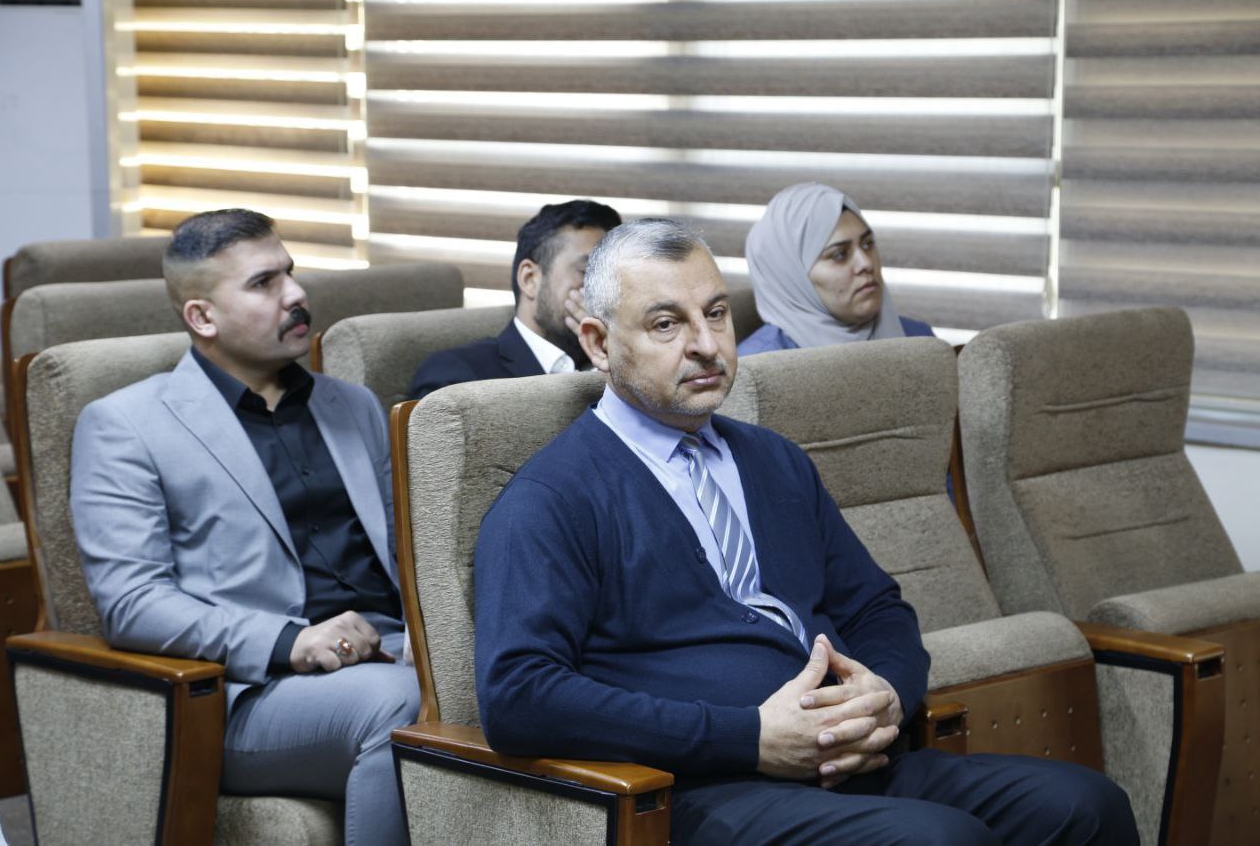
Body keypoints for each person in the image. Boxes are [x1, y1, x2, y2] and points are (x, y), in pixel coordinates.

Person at [473, 218, 1137, 844]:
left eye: (715, 313)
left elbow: (877, 608)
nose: (706, 344)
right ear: (598, 343)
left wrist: (887, 694)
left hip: (849, 761)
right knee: (941, 840)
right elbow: (518, 695)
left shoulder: (773, 459)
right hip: (704, 787)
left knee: (1086, 804)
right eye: (666, 324)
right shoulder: (552, 497)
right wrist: (748, 736)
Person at [71, 209, 419, 846]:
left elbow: (408, 555)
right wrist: (291, 640)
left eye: (290, 273)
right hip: (252, 693)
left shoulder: (354, 405)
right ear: (202, 317)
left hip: (391, 652)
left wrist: (434, 638)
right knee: (402, 704)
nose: (296, 294)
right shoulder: (126, 424)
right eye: (263, 283)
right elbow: (132, 603)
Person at [407, 199, 621, 399]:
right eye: (587, 272)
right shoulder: (456, 377)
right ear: (530, 279)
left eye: (614, 278)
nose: (605, 290)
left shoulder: (619, 366)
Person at [740, 181, 933, 357]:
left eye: (867, 244)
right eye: (839, 255)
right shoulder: (759, 368)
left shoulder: (919, 340)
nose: (866, 263)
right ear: (794, 278)